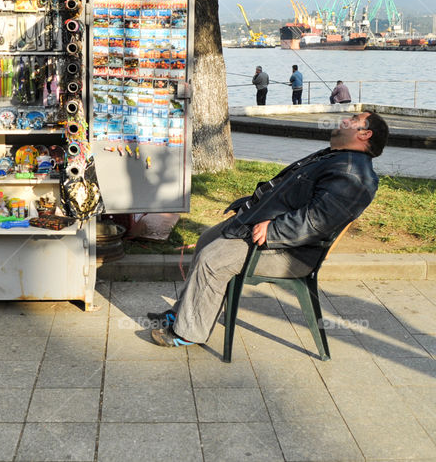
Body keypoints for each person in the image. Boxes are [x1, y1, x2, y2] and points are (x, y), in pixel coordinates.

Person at [146, 112, 389, 347]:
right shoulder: (337, 157)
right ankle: (184, 314)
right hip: (268, 230)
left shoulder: (355, 174)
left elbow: (318, 220)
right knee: (207, 239)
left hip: (292, 253)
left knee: (213, 260)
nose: (344, 120)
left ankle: (189, 333)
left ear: (365, 134)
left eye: (353, 120)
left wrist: (274, 230)